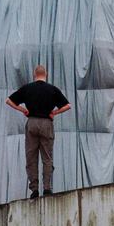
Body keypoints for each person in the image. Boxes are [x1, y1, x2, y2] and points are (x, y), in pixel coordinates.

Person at [6, 65, 71, 199]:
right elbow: (68, 106)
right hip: (46, 123)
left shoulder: (27, 88)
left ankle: (34, 190)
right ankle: (47, 188)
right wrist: (55, 112)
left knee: (31, 157)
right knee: (47, 157)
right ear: (46, 74)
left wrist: (23, 110)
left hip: (32, 123)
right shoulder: (52, 89)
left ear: (34, 74)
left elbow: (9, 101)